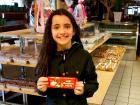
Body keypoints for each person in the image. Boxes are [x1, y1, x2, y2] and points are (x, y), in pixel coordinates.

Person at [35, 8, 99, 105]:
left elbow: (93, 84)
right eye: (56, 27)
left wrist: (84, 89)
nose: (62, 31)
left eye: (67, 26)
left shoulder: (84, 56)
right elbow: (38, 83)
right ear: (50, 32)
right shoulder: (45, 56)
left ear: (73, 31)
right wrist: (40, 88)